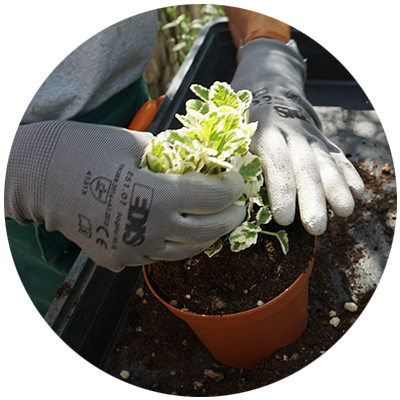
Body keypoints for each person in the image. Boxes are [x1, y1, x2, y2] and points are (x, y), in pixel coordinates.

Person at [4, 7, 364, 316]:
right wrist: (27, 168)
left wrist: (268, 52)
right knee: (67, 304)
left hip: (129, 103)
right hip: (23, 183)